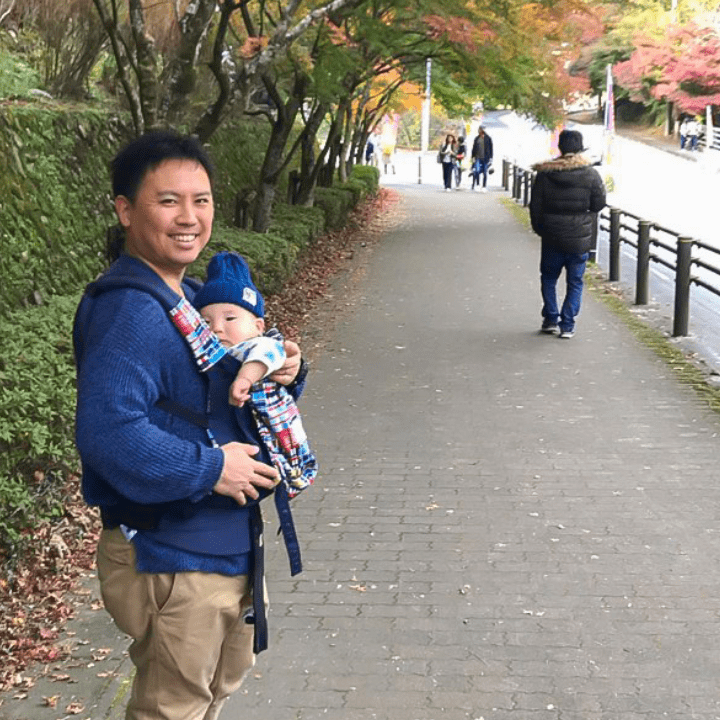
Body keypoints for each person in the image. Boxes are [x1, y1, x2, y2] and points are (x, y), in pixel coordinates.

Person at [73, 131, 307, 720]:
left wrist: (282, 370)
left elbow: (224, 395)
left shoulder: (192, 302)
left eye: (201, 200)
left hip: (221, 547)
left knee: (209, 695)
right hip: (172, 554)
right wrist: (212, 468)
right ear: (126, 210)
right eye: (168, 200)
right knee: (173, 707)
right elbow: (107, 432)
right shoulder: (131, 310)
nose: (189, 217)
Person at [194, 250, 317, 496]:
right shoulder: (208, 352)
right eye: (205, 322)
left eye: (230, 318)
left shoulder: (258, 345)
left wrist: (245, 378)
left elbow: (264, 353)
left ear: (258, 326)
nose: (216, 328)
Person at [529, 128, 606, 339]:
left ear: (560, 147)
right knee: (575, 281)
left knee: (548, 278)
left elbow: (535, 205)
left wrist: (540, 228)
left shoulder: (545, 174)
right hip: (579, 237)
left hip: (552, 235)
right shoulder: (590, 174)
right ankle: (567, 324)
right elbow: (598, 204)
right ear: (580, 148)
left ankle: (550, 318)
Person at [471, 126, 493, 192]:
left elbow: (491, 148)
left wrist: (491, 158)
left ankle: (484, 186)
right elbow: (473, 148)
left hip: (485, 158)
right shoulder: (477, 138)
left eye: (481, 130)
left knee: (485, 172)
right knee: (477, 170)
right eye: (479, 130)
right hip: (478, 157)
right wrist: (473, 157)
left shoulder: (488, 138)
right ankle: (478, 184)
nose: (480, 131)